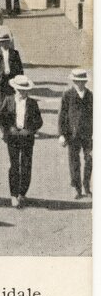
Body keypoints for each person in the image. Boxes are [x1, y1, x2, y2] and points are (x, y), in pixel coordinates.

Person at [0, 75, 43, 208]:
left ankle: (22, 193)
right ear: (15, 89)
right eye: (20, 90)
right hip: (13, 137)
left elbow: (39, 121)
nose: (22, 92)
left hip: (27, 137)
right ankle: (13, 195)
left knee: (26, 165)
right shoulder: (8, 100)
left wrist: (30, 130)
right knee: (14, 165)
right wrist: (7, 130)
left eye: (25, 90)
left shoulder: (32, 103)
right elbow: (2, 118)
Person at [58, 69, 93, 199]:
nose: (80, 84)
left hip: (88, 135)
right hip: (72, 134)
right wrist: (61, 134)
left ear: (85, 82)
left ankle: (87, 186)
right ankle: (76, 187)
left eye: (82, 81)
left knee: (89, 159)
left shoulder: (90, 96)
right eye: (77, 81)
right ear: (73, 81)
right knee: (74, 161)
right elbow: (62, 115)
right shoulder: (67, 95)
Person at [0, 33, 24, 107]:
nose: (4, 44)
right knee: (0, 103)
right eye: (2, 42)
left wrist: (21, 81)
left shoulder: (15, 53)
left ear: (9, 42)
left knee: (12, 103)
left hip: (12, 80)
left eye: (6, 42)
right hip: (0, 81)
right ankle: (1, 116)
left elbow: (20, 68)